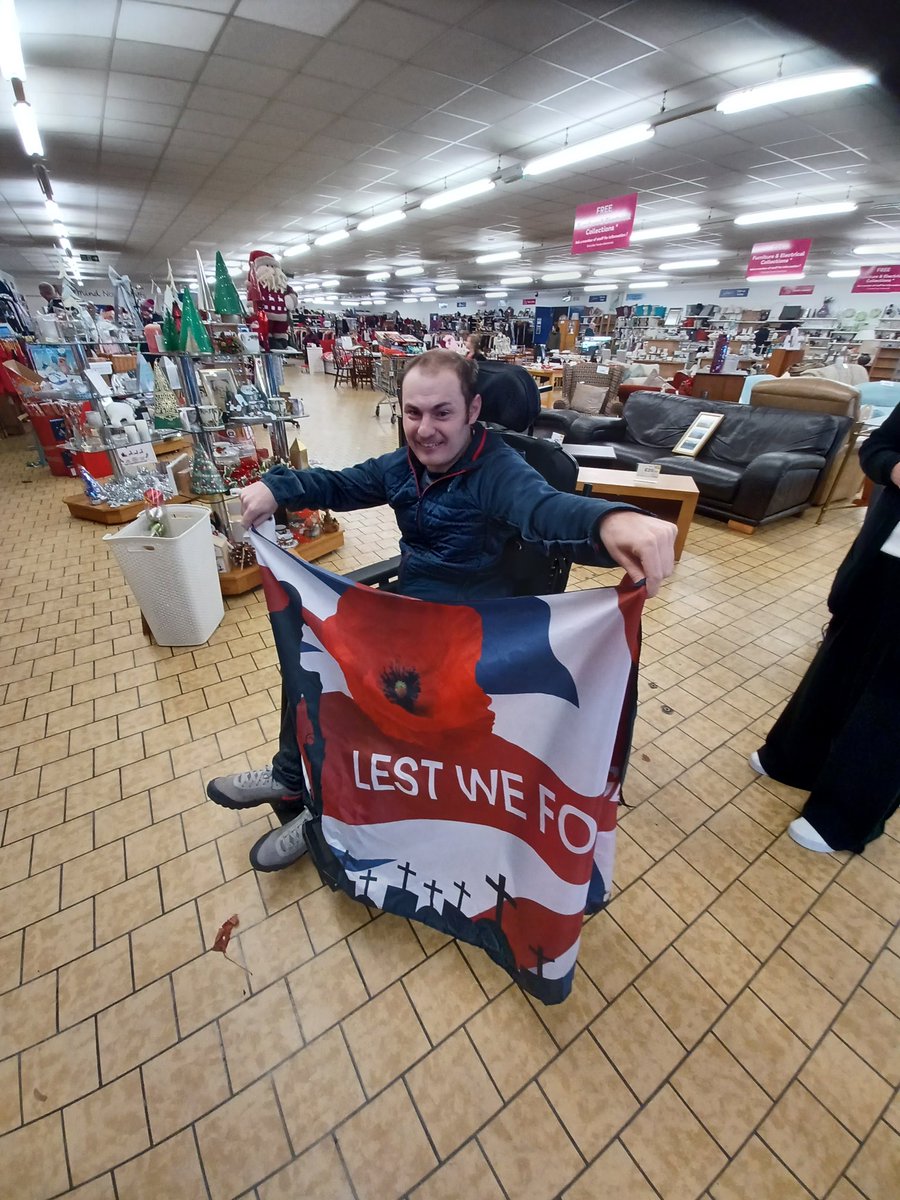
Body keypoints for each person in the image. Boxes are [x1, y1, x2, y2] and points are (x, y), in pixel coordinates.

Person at [207, 350, 676, 871]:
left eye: (442, 413)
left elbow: (545, 510)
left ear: (474, 410)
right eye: (413, 413)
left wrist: (610, 520)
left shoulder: (497, 469)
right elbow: (340, 484)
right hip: (412, 620)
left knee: (366, 700)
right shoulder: (401, 467)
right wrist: (278, 485)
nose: (425, 429)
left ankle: (328, 813)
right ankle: (293, 778)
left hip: (473, 638)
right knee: (313, 650)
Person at [750, 401, 900, 853]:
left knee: (892, 699)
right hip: (884, 555)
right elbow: (878, 447)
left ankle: (844, 815)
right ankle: (793, 758)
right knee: (838, 660)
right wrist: (895, 469)